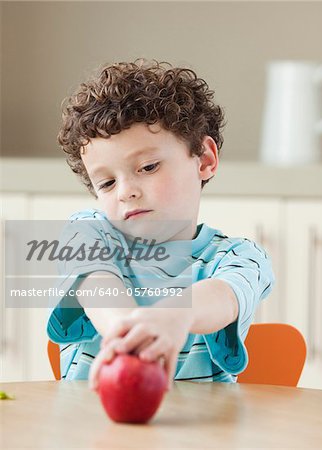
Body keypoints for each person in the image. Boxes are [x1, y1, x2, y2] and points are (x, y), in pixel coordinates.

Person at [47, 58, 275, 391]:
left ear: (205, 160)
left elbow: (224, 295)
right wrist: (127, 331)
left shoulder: (240, 257)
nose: (126, 192)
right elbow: (98, 287)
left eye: (148, 167)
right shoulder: (87, 233)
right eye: (107, 183)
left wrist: (175, 315)